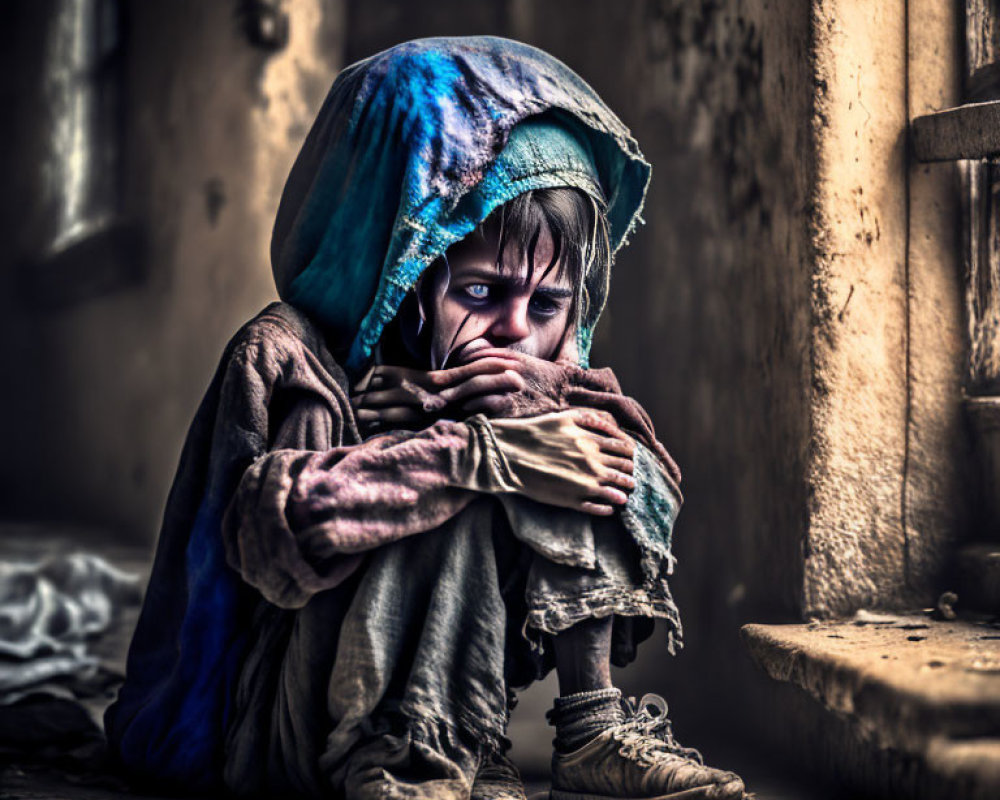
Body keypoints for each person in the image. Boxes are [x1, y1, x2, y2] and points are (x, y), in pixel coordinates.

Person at [104, 37, 748, 800]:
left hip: (461, 718)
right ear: (403, 268)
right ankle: (414, 755)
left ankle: (588, 727)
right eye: (478, 293)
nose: (516, 330)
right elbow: (273, 539)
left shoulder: (535, 376)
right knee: (469, 477)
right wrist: (473, 452)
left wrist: (497, 409)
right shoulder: (286, 356)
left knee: (569, 437)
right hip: (295, 723)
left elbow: (643, 478)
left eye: (548, 306)